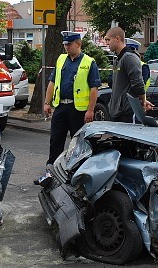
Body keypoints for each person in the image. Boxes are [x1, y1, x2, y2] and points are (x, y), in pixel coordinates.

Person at [42, 31, 101, 168]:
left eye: (69, 44)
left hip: (78, 110)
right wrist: (47, 102)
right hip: (61, 107)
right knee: (56, 140)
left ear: (78, 44)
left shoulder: (89, 62)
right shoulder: (61, 59)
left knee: (78, 143)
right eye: (65, 44)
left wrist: (90, 110)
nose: (66, 47)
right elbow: (52, 82)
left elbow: (94, 88)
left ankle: (77, 170)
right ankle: (51, 170)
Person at [105, 27, 153, 123]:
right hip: (117, 111)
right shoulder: (118, 58)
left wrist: (143, 101)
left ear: (117, 38)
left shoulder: (129, 57)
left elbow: (138, 84)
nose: (106, 43)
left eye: (108, 39)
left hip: (126, 112)